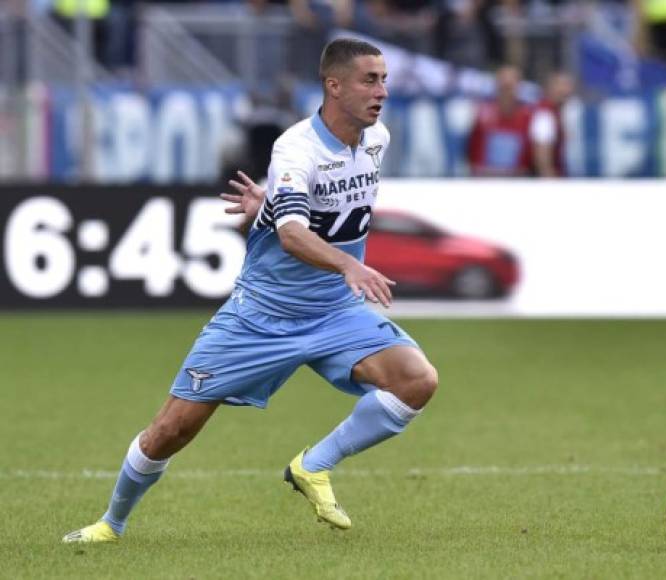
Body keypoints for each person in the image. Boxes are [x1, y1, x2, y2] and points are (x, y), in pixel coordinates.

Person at [61, 37, 438, 543]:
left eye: (384, 79)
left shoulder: (377, 140)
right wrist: (345, 261)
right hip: (261, 316)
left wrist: (272, 203)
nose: (382, 91)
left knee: (416, 380)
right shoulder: (296, 148)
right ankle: (112, 523)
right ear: (334, 85)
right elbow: (291, 234)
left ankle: (313, 465)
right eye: (370, 80)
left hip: (334, 311)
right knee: (172, 429)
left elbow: (316, 212)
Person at [466, 64, 535, 176]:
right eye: (503, 85)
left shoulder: (530, 116)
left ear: (520, 86)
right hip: (485, 179)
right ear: (496, 85)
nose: (506, 91)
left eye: (510, 86)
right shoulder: (480, 112)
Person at [529, 71, 575, 177]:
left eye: (568, 85)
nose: (565, 90)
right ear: (549, 89)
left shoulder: (564, 113)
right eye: (560, 85)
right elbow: (543, 161)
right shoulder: (544, 115)